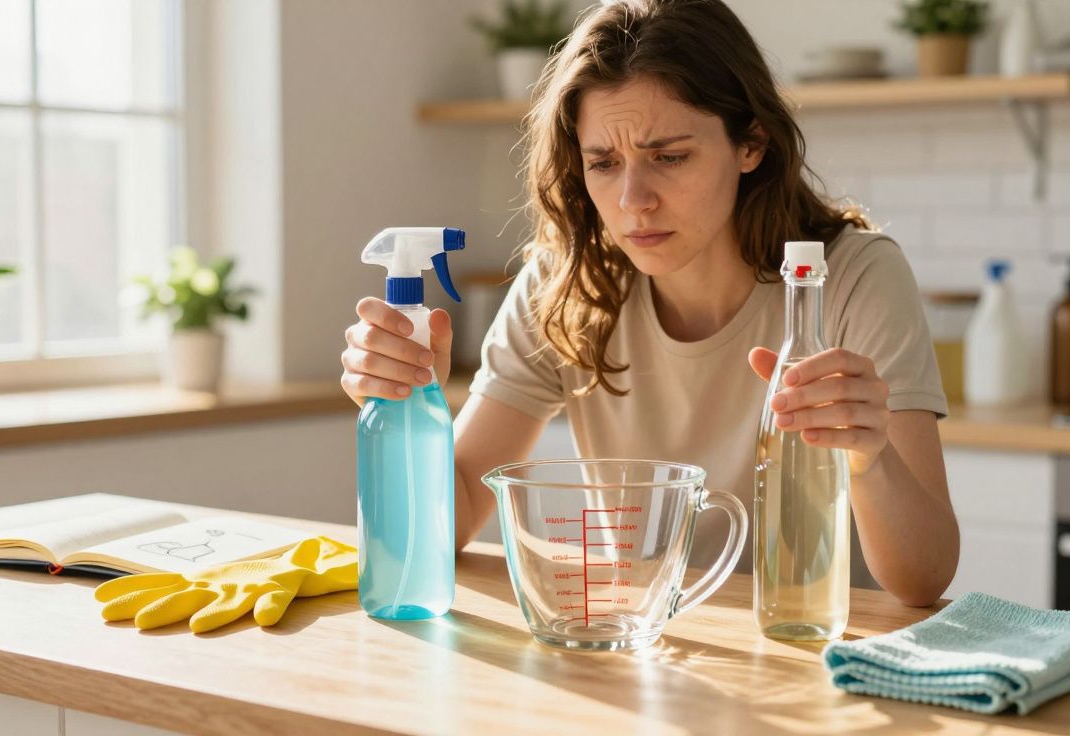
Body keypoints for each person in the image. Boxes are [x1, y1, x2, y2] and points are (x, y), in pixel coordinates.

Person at [342, 0, 958, 607]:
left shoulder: (850, 275)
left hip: (812, 652)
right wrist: (401, 407)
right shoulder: (567, 283)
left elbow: (923, 578)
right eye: (604, 163)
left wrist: (869, 458)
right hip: (646, 647)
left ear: (751, 143)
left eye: (668, 157)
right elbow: (454, 516)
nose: (634, 200)